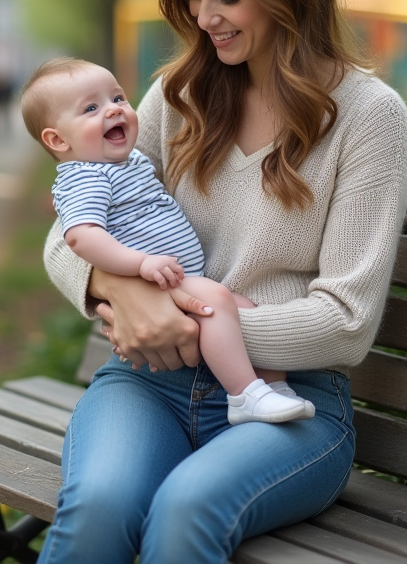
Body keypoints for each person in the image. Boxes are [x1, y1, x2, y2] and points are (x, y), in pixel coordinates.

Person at [39, 0, 407, 564]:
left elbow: (347, 321)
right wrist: (117, 289)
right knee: (99, 507)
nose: (205, 16)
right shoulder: (175, 96)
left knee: (186, 510)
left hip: (287, 401)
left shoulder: (368, 117)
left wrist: (188, 327)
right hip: (146, 385)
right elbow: (67, 234)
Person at [20, 56, 315, 424]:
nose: (113, 110)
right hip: (157, 284)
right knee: (218, 302)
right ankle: (245, 395)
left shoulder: (126, 162)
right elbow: (80, 237)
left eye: (118, 98)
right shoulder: (86, 177)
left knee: (247, 310)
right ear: (57, 139)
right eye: (91, 108)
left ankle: (273, 388)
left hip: (177, 278)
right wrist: (139, 265)